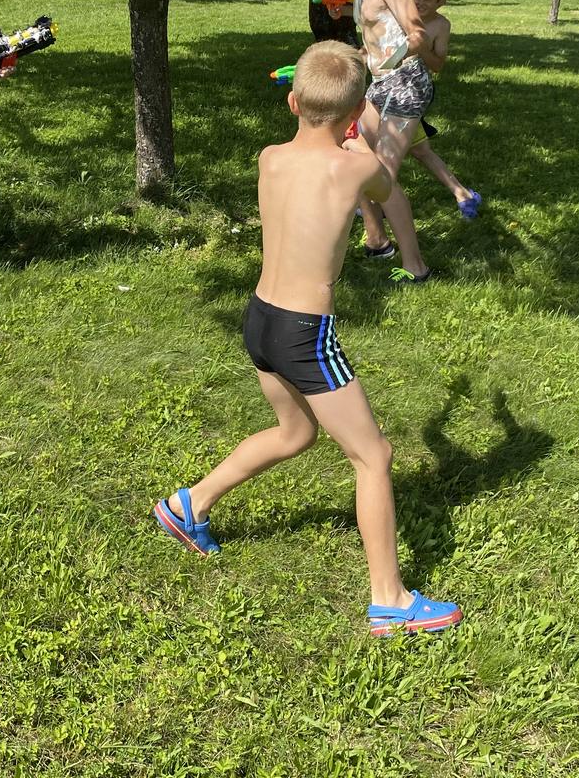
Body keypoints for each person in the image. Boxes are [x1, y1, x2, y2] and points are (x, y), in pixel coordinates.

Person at [153, 41, 462, 637]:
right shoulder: (356, 167)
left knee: (294, 433)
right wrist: (361, 134)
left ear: (292, 102)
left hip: (260, 320)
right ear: (355, 114)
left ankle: (189, 504)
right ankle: (390, 599)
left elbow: (317, 138)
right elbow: (383, 185)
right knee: (374, 456)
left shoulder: (269, 158)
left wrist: (336, 112)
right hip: (305, 334)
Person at [323, 0, 432, 282]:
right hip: (381, 84)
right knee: (350, 153)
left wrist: (396, 56)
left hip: (407, 83)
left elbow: (417, 33)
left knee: (381, 175)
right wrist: (351, 58)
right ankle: (377, 239)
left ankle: (415, 267)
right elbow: (374, 38)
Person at [358, 0, 480, 251]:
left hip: (409, 95)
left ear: (441, 1)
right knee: (421, 150)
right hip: (387, 91)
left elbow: (438, 65)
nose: (420, 3)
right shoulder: (400, 15)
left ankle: (376, 209)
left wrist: (420, 46)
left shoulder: (441, 25)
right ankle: (462, 194)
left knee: (386, 155)